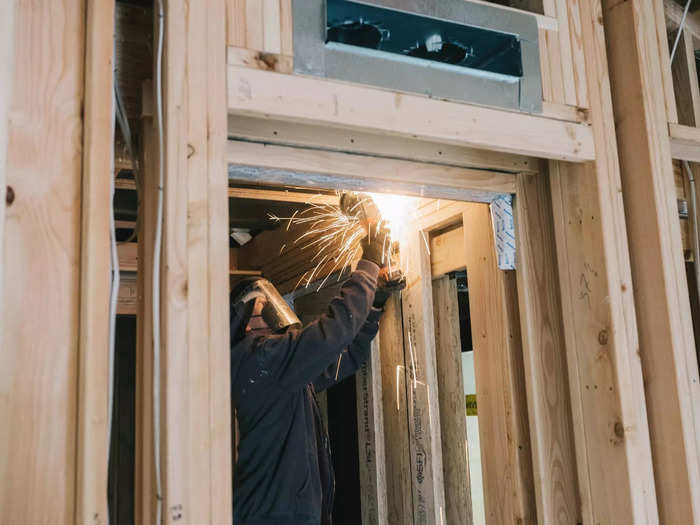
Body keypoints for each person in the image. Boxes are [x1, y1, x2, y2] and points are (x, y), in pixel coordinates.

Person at [229, 213, 396, 525]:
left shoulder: (279, 374)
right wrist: (369, 262)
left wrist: (375, 301)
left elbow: (347, 355)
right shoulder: (260, 359)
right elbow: (334, 332)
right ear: (244, 324)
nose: (274, 315)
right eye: (264, 309)